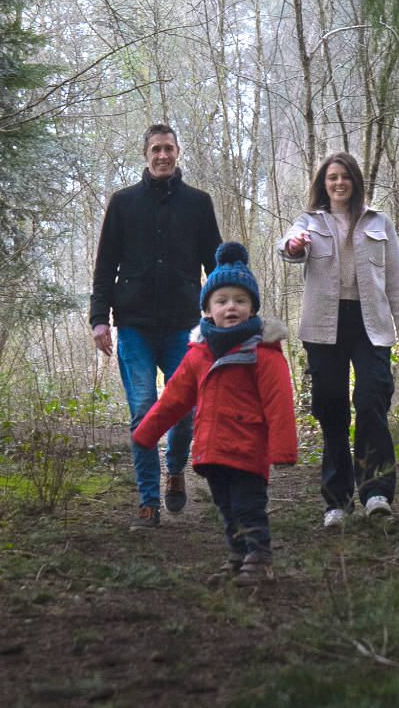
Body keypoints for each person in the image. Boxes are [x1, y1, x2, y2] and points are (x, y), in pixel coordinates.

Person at [133, 242, 297, 584]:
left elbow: (279, 402)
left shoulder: (262, 352)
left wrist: (282, 449)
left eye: (240, 300)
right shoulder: (198, 353)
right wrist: (146, 433)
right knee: (225, 507)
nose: (231, 307)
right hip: (212, 450)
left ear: (252, 308)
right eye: (222, 301)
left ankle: (260, 557)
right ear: (208, 310)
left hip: (249, 448)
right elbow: (173, 399)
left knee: (248, 506)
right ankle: (238, 555)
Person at [90, 123, 223, 531]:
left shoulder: (199, 204)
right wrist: (99, 319)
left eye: (168, 149)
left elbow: (216, 266)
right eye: (155, 150)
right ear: (145, 154)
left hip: (185, 326)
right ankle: (148, 503)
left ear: (178, 151)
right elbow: (104, 266)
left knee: (184, 412)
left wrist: (226, 314)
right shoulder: (123, 203)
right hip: (134, 326)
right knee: (144, 412)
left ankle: (176, 469)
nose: (162, 156)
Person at [277, 152, 399, 527]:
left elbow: (396, 281)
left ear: (355, 182)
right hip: (323, 327)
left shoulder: (379, 223)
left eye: (345, 177)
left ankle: (376, 493)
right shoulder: (309, 221)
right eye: (331, 178)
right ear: (323, 184)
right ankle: (337, 501)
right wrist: (294, 246)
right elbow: (290, 247)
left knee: (372, 398)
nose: (338, 183)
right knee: (331, 408)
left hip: (370, 324)